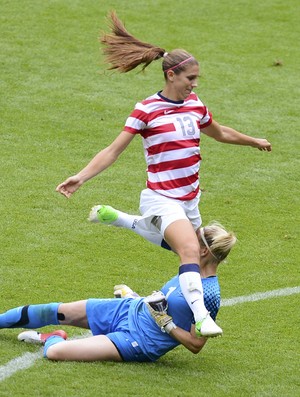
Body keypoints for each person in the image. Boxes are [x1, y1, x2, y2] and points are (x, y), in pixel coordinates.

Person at [56, 11, 271, 338]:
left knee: (194, 251)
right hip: (160, 198)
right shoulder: (147, 110)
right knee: (189, 252)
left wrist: (252, 140)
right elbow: (113, 150)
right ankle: (201, 317)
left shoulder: (195, 104)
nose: (195, 84)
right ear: (172, 76)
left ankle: (121, 219)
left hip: (189, 199)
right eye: (190, 78)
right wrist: (81, 177)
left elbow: (220, 132)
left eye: (196, 79)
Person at [0, 223, 236, 362]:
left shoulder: (210, 294)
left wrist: (167, 324)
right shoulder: (190, 270)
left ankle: (52, 337)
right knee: (53, 310)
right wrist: (135, 297)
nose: (184, 244)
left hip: (138, 342)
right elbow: (164, 304)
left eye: (192, 242)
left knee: (54, 353)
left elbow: (196, 344)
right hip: (128, 310)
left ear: (203, 251)